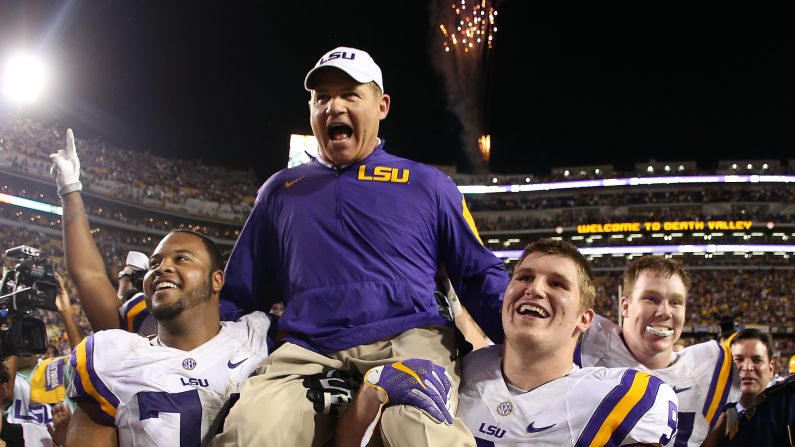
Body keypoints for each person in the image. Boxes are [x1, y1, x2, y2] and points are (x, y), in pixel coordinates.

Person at [216, 46, 508, 446]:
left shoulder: (429, 186)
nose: (333, 107)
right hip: (308, 350)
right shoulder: (279, 192)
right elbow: (241, 293)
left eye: (350, 94)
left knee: (420, 434)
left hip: (408, 341)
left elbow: (478, 273)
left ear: (382, 105)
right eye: (322, 98)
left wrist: (523, 340)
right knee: (252, 431)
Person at [338, 239, 679, 446]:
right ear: (505, 301)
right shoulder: (456, 373)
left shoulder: (624, 397)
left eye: (558, 284)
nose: (536, 288)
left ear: (584, 320)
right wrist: (371, 395)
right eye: (524, 277)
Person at [49, 131, 272, 446]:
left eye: (181, 258)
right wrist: (70, 189)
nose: (163, 267)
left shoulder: (258, 338)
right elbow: (90, 276)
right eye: (154, 263)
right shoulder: (116, 356)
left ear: (217, 280)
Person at [578, 256, 740, 447]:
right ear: (625, 306)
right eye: (651, 299)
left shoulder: (713, 367)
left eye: (675, 302)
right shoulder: (583, 349)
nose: (665, 311)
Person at [701, 328, 776, 446]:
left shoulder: (785, 416)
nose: (747, 367)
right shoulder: (709, 418)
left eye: (757, 360)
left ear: (771, 369)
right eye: (739, 360)